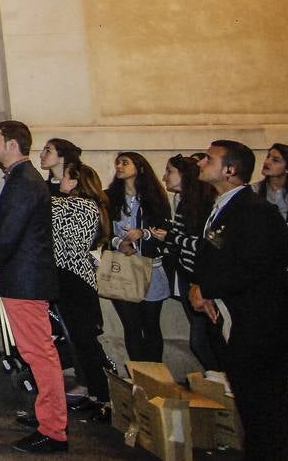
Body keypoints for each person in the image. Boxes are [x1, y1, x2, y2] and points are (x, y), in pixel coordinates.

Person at [189, 140, 288, 458]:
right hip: (234, 325)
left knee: (266, 408)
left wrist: (206, 289)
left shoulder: (256, 211)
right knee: (251, 406)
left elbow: (256, 266)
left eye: (209, 158)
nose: (201, 163)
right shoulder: (223, 206)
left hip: (257, 329)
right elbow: (215, 256)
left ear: (230, 170)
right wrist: (198, 286)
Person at [0, 120, 67, 454]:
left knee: (39, 353)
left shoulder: (24, 181)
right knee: (35, 352)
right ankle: (47, 418)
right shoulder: (23, 178)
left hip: (26, 280)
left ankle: (54, 429)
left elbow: (12, 230)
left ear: (13, 144)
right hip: (24, 277)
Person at [144, 154, 223, 372]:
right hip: (189, 277)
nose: (164, 176)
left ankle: (224, 385)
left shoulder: (205, 204)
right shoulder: (184, 203)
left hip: (204, 280)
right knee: (201, 340)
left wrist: (169, 238)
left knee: (205, 340)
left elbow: (208, 243)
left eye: (170, 171)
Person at [47, 153, 112, 418]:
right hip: (70, 280)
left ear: (75, 182)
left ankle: (104, 400)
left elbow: (45, 208)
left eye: (64, 176)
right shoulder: (79, 204)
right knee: (80, 342)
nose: (59, 180)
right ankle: (95, 394)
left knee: (86, 342)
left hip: (75, 281)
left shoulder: (81, 206)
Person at [105, 151, 170, 362]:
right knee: (131, 326)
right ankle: (139, 378)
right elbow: (103, 232)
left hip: (150, 267)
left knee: (151, 325)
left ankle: (156, 378)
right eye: (118, 163)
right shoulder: (110, 198)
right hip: (123, 267)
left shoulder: (155, 198)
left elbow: (165, 231)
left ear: (139, 168)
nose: (119, 167)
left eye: (125, 163)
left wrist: (144, 233)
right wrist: (119, 242)